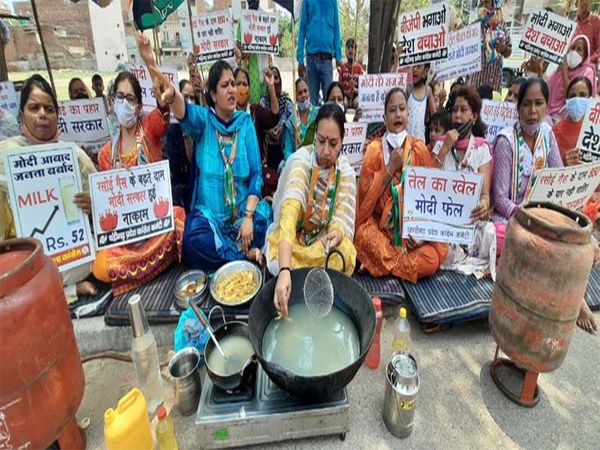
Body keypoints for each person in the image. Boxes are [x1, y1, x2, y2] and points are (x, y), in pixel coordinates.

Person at [149, 52, 271, 268]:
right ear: (213, 95)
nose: (233, 89)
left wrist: (249, 218)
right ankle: (244, 255)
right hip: (211, 220)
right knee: (194, 240)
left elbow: (256, 175)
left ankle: (231, 251)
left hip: (243, 218)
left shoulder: (245, 124)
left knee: (265, 220)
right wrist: (172, 94)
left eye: (233, 84)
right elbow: (184, 110)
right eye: (225, 86)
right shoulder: (204, 121)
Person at [92, 40, 186, 295]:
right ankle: (151, 268)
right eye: (120, 97)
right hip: (127, 239)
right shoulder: (104, 155)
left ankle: (133, 275)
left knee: (179, 218)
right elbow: (107, 206)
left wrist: (149, 61)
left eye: (130, 98)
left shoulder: (150, 129)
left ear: (138, 105)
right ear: (112, 102)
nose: (124, 103)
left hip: (156, 229)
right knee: (100, 265)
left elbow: (164, 99)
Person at [0, 74, 98, 301]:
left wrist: (92, 207)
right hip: (23, 256)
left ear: (57, 115)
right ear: (22, 114)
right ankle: (69, 291)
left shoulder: (74, 156)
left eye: (49, 108)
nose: (42, 114)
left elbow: (102, 213)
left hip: (72, 256)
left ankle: (58, 289)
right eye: (34, 108)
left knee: (101, 262)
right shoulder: (6, 156)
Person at [269, 104, 357, 318]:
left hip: (322, 241)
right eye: (321, 141)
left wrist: (337, 233)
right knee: (277, 261)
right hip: (296, 239)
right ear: (314, 137)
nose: (326, 151)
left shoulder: (345, 172)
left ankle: (300, 278)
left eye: (333, 144)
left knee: (344, 253)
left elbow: (341, 219)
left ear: (342, 142)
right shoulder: (301, 162)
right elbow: (288, 217)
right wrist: (283, 272)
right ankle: (295, 276)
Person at [354, 88, 448, 282]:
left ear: (408, 114)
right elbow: (363, 209)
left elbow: (431, 200)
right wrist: (389, 168)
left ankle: (380, 264)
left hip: (410, 236)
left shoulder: (419, 149)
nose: (397, 114)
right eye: (392, 110)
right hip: (381, 233)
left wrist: (422, 234)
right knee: (362, 235)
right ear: (384, 117)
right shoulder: (374, 151)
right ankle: (392, 263)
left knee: (432, 258)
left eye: (402, 109)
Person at [432, 86, 496, 277]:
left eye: (463, 110)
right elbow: (428, 181)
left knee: (491, 232)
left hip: (470, 221)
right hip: (443, 219)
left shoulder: (481, 149)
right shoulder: (440, 144)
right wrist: (446, 147)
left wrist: (484, 205)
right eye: (455, 110)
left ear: (474, 116)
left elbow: (485, 196)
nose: (458, 116)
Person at [297, 0, 342, 105]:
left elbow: (336, 28)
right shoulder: (307, 1)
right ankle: (313, 122)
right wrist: (300, 59)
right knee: (312, 101)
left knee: (330, 99)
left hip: (327, 60)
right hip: (311, 58)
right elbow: (302, 28)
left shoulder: (333, 2)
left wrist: (338, 56)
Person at [258, 66, 293, 196]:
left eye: (276, 77)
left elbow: (291, 123)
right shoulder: (263, 101)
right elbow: (261, 124)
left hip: (283, 147)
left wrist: (282, 130)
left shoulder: (287, 101)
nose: (274, 80)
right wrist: (269, 131)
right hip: (268, 149)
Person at [162, 79, 196, 210]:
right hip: (177, 196)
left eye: (192, 97)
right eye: (185, 96)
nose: (189, 101)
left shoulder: (196, 127)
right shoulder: (169, 129)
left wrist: (188, 140)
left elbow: (195, 162)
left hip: (195, 193)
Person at [547, 35, 597, 123]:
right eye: (572, 48)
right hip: (549, 116)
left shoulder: (587, 71)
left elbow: (572, 96)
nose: (574, 52)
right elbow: (546, 91)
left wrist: (565, 74)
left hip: (571, 119)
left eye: (579, 49)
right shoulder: (560, 70)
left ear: (585, 56)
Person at [468, 0, 511, 93]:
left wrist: (503, 48)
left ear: (494, 4)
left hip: (493, 85)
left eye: (486, 3)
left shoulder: (502, 25)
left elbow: (509, 52)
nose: (483, 7)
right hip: (475, 85)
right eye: (481, 3)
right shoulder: (473, 27)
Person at [552, 76, 594, 165]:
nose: (577, 100)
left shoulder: (596, 129)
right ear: (567, 100)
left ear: (590, 98)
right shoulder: (556, 131)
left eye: (582, 95)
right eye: (572, 96)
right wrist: (563, 164)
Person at [283, 78, 318, 162]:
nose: (303, 95)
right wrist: (297, 162)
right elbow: (288, 151)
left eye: (305, 91)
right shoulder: (291, 122)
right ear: (295, 98)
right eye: (300, 93)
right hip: (298, 163)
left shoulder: (318, 115)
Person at [407, 64, 436, 142]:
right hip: (407, 139)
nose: (414, 69)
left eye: (418, 66)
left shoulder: (428, 91)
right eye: (413, 66)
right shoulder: (408, 89)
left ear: (426, 71)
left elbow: (435, 116)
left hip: (420, 140)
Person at [337, 38, 364, 109]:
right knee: (343, 104)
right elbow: (339, 88)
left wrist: (355, 89)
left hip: (356, 96)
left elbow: (363, 89)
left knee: (359, 104)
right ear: (345, 51)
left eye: (352, 47)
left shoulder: (359, 68)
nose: (350, 49)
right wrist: (347, 92)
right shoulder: (342, 68)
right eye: (348, 47)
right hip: (345, 95)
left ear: (355, 51)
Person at [574, 0, 600, 66]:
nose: (584, 2)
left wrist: (589, 61)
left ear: (590, 2)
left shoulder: (596, 22)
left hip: (588, 67)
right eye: (581, 0)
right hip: (571, 64)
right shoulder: (572, 24)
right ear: (576, 3)